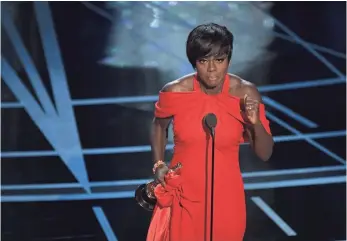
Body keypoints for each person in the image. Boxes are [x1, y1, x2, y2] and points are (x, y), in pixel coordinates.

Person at [146, 23, 274, 241]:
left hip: (227, 201)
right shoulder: (175, 92)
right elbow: (159, 126)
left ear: (229, 60)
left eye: (219, 60)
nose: (212, 69)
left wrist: (255, 124)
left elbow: (265, 154)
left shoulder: (245, 93)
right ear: (194, 62)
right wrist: (159, 164)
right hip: (183, 197)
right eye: (204, 61)